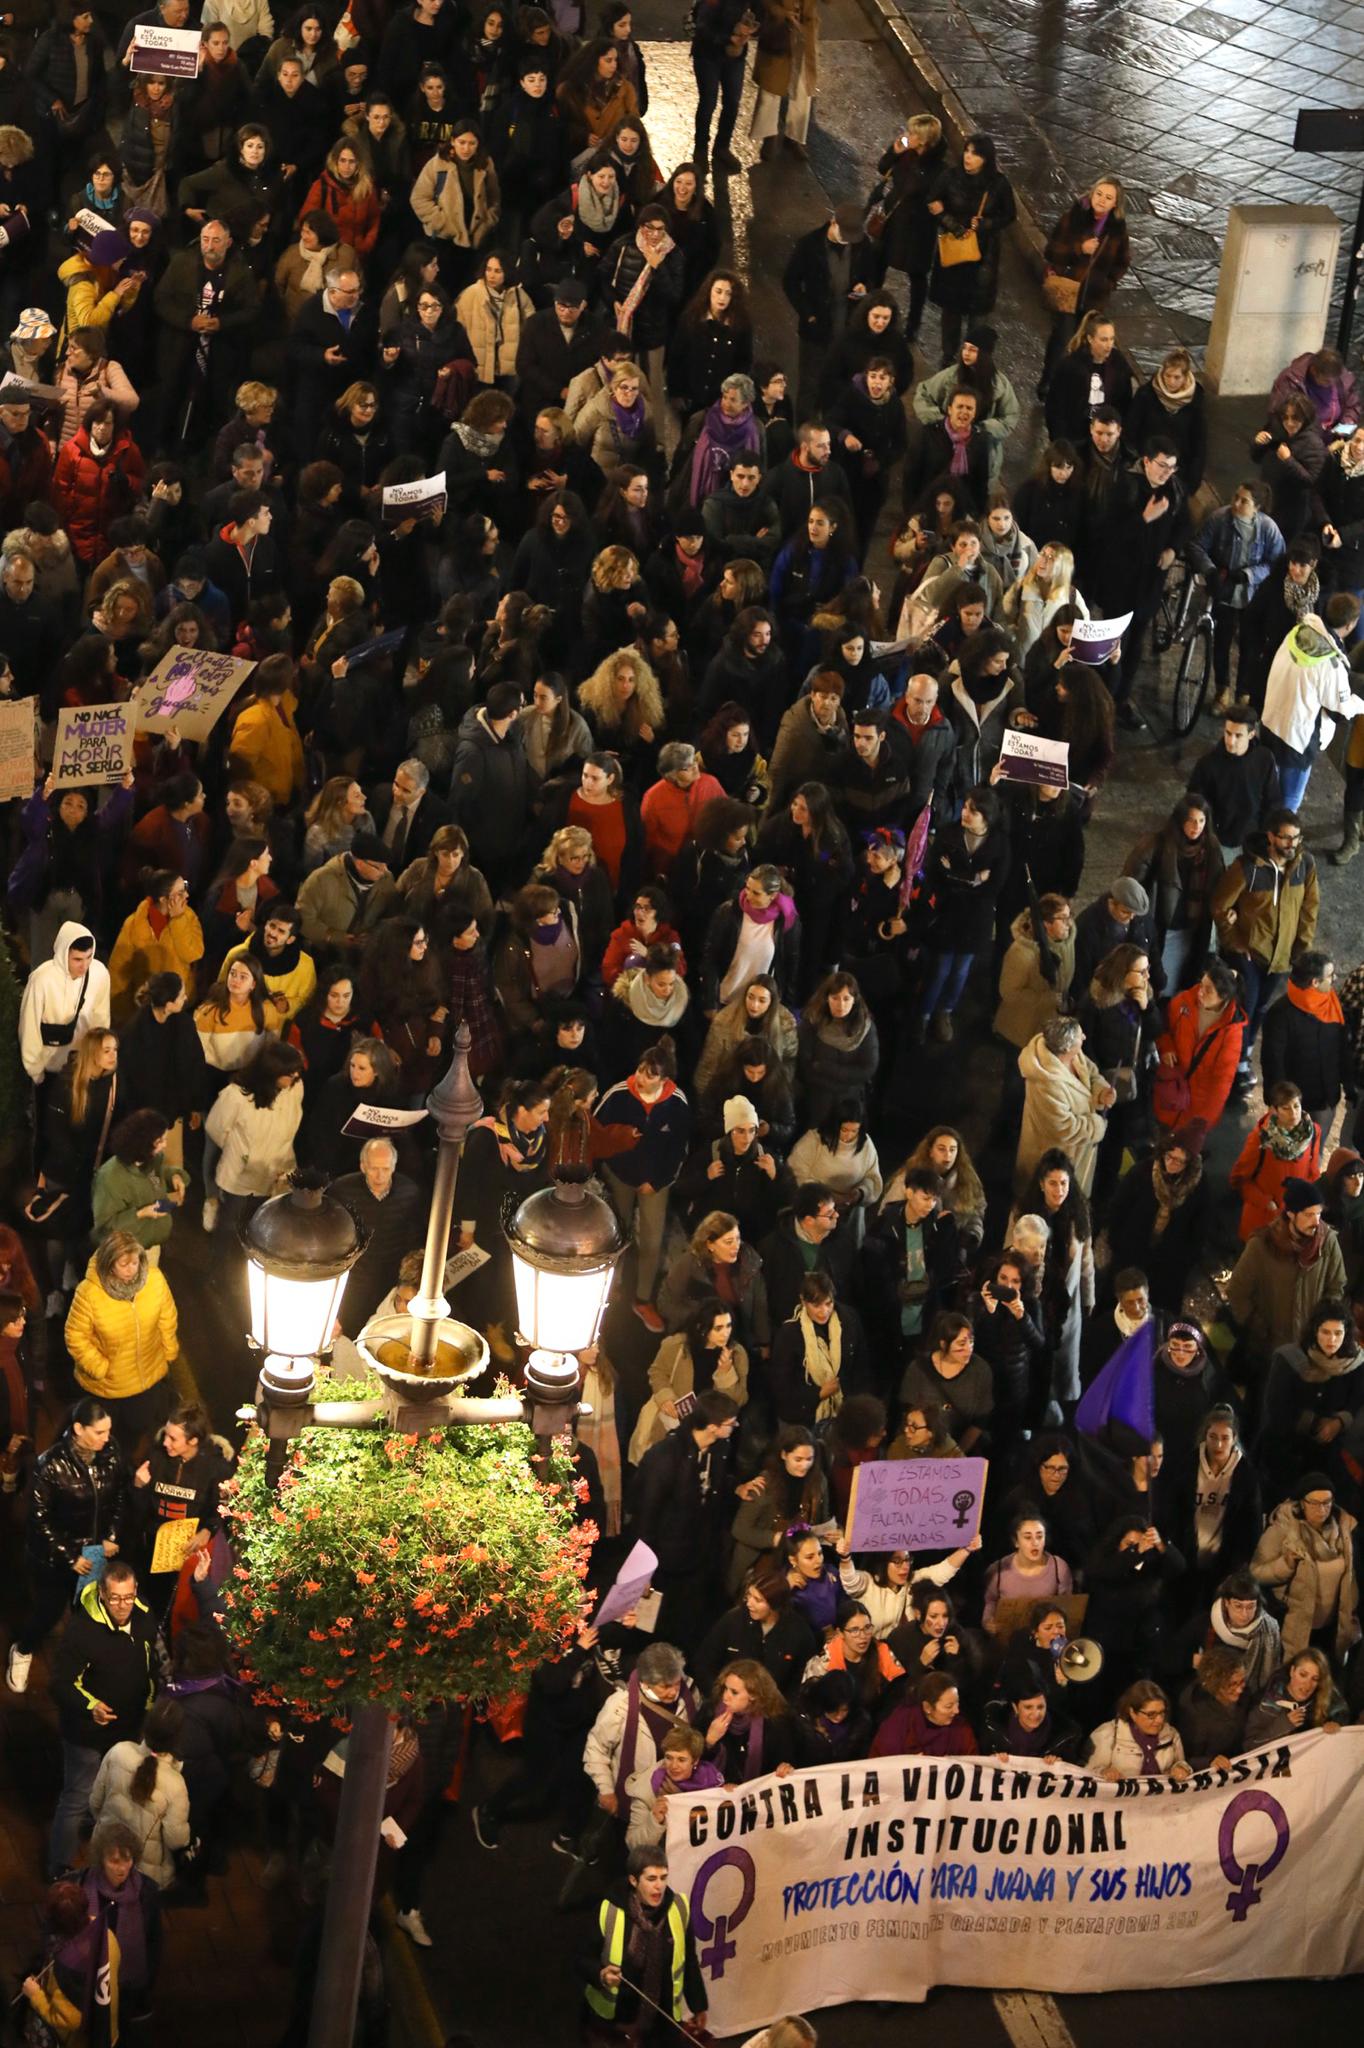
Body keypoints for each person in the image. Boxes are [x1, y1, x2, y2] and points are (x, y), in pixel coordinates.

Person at [7, 1398, 126, 1694]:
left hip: (94, 1553)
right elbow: (39, 1519)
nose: (106, 1438)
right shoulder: (51, 1465)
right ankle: (22, 1649)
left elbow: (118, 1499)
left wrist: (109, 1536)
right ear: (78, 1429)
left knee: (86, 1611)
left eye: (108, 1431)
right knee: (48, 1611)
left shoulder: (110, 1455)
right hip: (55, 1557)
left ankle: (80, 1666)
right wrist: (69, 1556)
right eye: (99, 1432)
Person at [49, 1559, 159, 1876]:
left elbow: (150, 1660)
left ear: (135, 1591)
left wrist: (151, 1703)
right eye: (114, 1598)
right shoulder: (81, 1632)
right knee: (76, 1797)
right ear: (101, 1593)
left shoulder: (144, 1613)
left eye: (127, 1597)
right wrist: (90, 1707)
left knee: (118, 1795)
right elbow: (59, 1684)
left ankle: (107, 1864)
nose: (122, 1606)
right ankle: (59, 1867)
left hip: (128, 1728)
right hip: (86, 1734)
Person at [65, 1232, 178, 1459]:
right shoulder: (89, 1293)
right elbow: (75, 1335)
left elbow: (167, 1317)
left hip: (147, 1376)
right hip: (109, 1386)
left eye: (135, 1262)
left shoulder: (154, 1279)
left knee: (136, 1430)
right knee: (107, 1439)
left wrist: (169, 1350)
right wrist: (99, 1367)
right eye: (123, 1264)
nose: (131, 1270)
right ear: (109, 1263)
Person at [581, 1844, 707, 2043]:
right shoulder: (609, 1910)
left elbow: (689, 1960)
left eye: (663, 1878)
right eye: (651, 1879)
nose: (659, 1886)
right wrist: (601, 1975)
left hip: (662, 2020)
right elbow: (582, 1959)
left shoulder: (679, 1908)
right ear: (633, 1880)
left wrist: (699, 2005)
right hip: (618, 2020)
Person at [1251, 1472, 1359, 1662]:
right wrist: (1286, 1564)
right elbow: (1256, 1572)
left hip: (1333, 1627)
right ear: (1302, 1503)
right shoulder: (1282, 1529)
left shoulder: (1344, 1529)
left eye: (1327, 1502)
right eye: (1315, 1503)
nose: (1322, 1509)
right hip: (1296, 1626)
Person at [1087, 1681, 1191, 1782]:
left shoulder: (1171, 1734)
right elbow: (1088, 1772)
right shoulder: (1108, 1734)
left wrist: (1182, 1768)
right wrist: (1104, 1772)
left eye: (1162, 1713)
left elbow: (1181, 1762)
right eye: (1151, 1715)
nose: (1159, 1720)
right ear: (1132, 1713)